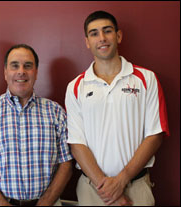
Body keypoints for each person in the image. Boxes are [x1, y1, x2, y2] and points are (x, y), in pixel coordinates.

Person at [65, 11, 170, 206]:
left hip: (136, 187)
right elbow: (76, 144)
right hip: (92, 190)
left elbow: (155, 134)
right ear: (87, 41)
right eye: (94, 33)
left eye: (107, 31)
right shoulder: (76, 86)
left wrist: (121, 180)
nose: (102, 38)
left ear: (118, 36)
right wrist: (107, 188)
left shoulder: (146, 79)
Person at [0, 44, 73, 206]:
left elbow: (66, 163)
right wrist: (2, 204)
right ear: (5, 72)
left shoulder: (55, 112)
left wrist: (45, 202)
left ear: (36, 72)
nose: (21, 71)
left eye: (28, 66)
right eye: (15, 66)